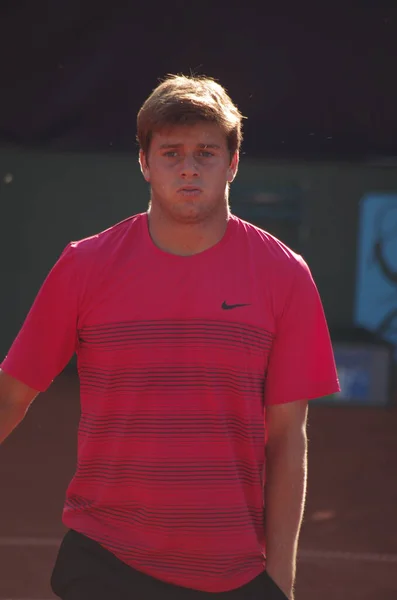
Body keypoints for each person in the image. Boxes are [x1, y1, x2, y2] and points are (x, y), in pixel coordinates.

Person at [0, 74, 340, 600]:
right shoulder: (84, 266)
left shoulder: (284, 274)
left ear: (232, 163)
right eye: (171, 152)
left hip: (233, 572)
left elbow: (287, 439)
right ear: (144, 163)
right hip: (105, 561)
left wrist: (280, 582)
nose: (188, 166)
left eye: (206, 151)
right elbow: (10, 396)